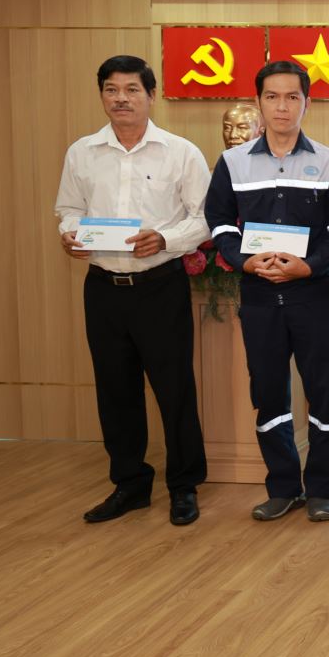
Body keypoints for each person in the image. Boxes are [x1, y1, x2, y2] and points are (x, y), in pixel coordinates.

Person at [55, 54, 210, 526]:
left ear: (151, 95)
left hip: (159, 286)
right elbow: (68, 208)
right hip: (103, 288)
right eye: (111, 89)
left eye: (131, 90)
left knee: (174, 389)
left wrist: (165, 239)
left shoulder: (181, 152)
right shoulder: (82, 152)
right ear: (102, 95)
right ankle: (130, 484)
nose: (121, 98)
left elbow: (204, 218)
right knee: (115, 389)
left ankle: (183, 486)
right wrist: (69, 233)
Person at [204, 61, 329, 523]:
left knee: (323, 393)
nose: (282, 106)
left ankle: (321, 490)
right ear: (258, 102)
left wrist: (309, 266)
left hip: (313, 296)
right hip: (260, 296)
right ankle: (283, 487)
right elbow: (220, 222)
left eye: (291, 97)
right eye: (272, 97)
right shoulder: (233, 162)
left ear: (307, 102)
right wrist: (244, 260)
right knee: (268, 395)